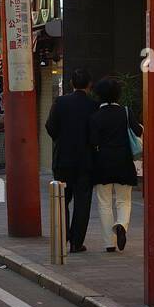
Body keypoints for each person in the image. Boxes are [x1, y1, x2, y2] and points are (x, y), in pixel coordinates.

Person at [46, 68, 98, 253]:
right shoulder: (93, 105)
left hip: (63, 160)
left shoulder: (60, 102)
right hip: (85, 161)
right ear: (89, 85)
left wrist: (62, 139)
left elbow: (50, 127)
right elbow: (95, 135)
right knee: (83, 202)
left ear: (71, 84)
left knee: (61, 200)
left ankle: (62, 237)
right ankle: (77, 242)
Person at [87, 78, 141, 253]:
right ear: (118, 94)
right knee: (124, 200)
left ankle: (108, 243)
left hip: (102, 162)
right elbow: (138, 131)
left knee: (104, 203)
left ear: (99, 95)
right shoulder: (126, 112)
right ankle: (121, 225)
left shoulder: (95, 116)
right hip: (123, 161)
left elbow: (92, 140)